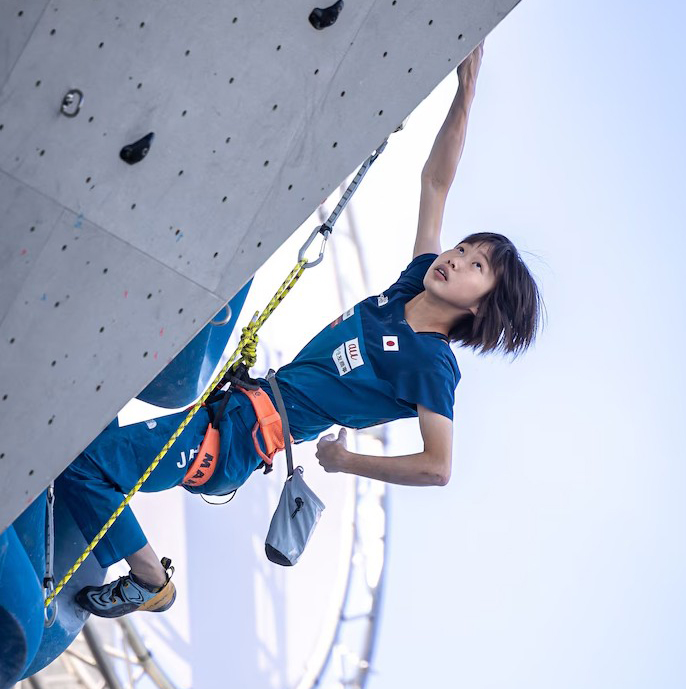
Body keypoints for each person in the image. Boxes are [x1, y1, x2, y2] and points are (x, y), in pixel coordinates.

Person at [59, 43, 544, 618]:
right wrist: (467, 92)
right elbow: (435, 185)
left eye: (475, 266)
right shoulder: (414, 284)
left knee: (90, 465)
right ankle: (135, 565)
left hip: (237, 441)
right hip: (231, 410)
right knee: (92, 459)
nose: (457, 258)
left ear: (483, 309)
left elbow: (438, 467)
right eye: (463, 248)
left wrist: (348, 463)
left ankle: (149, 580)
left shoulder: (432, 365)